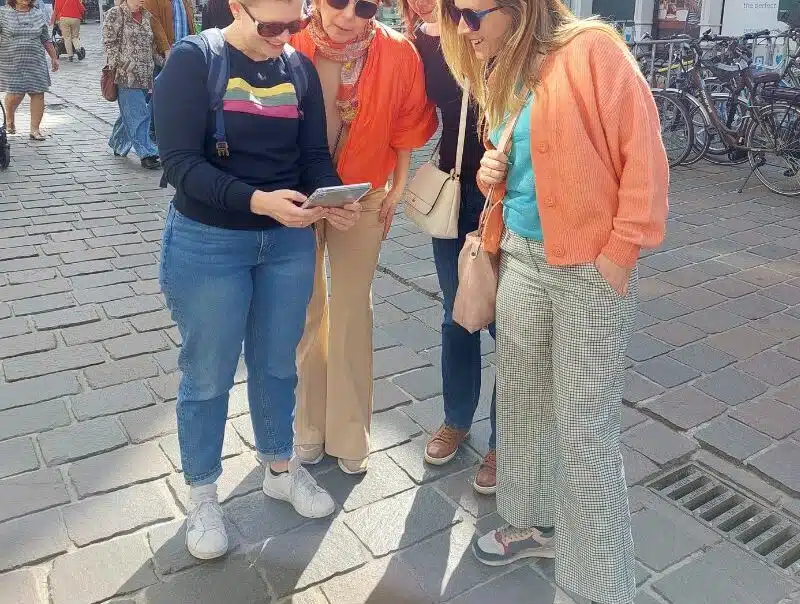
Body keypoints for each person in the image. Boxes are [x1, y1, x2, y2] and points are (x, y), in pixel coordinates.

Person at [439, 0, 669, 603]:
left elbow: (644, 161)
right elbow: (519, 167)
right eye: (456, 13)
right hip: (519, 256)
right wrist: (492, 171)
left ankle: (600, 588)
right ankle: (533, 522)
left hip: (588, 268)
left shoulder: (594, 50)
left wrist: (618, 256)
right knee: (521, 400)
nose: (463, 27)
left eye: (473, 14)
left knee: (584, 429)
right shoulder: (504, 66)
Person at [154, 0, 362, 561]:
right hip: (210, 239)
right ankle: (202, 493)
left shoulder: (298, 68)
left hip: (287, 241)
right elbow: (179, 163)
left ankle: (279, 466)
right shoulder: (194, 60)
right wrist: (257, 201)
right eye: (271, 26)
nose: (283, 36)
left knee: (277, 362)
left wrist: (330, 196)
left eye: (295, 24)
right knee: (209, 373)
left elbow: (312, 155)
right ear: (236, 7)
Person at [290, 0, 437, 475]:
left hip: (365, 193)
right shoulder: (291, 43)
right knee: (306, 305)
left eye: (365, 5)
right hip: (297, 196)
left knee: (352, 307)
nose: (349, 15)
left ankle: (350, 430)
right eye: (338, 1)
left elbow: (407, 123)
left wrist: (397, 186)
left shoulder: (398, 52)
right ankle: (308, 424)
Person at [398, 0, 497, 494]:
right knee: (457, 313)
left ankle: (506, 439)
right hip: (455, 189)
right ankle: (457, 418)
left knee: (509, 323)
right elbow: (410, 114)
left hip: (508, 193)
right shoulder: (421, 42)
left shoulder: (494, 24)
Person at [103, 0, 161, 169]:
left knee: (131, 112)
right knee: (139, 113)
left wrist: (162, 61)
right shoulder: (116, 13)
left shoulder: (146, 16)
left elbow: (150, 46)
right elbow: (109, 44)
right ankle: (147, 153)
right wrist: (125, 65)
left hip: (145, 75)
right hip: (125, 76)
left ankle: (117, 142)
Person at [0, 0, 59, 140]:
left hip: (36, 61)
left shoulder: (38, 14)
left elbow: (45, 38)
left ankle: (35, 130)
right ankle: (10, 118)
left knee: (38, 93)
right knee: (16, 93)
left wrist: (54, 57)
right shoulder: (3, 13)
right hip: (11, 62)